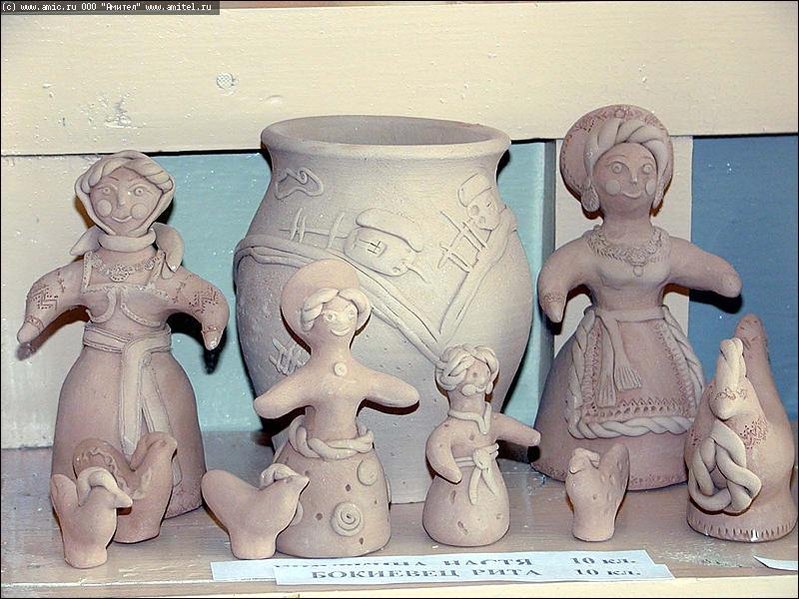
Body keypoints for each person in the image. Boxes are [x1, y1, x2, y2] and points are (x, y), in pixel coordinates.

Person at [534, 105, 741, 489]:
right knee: (581, 411)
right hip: (603, 343)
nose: (634, 180)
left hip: (657, 344)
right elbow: (559, 271)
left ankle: (668, 463)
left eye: (646, 171)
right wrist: (554, 292)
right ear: (592, 183)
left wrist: (721, 276)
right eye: (618, 169)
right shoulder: (591, 248)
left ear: (658, 184)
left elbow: (717, 276)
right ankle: (585, 464)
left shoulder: (664, 247)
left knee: (680, 406)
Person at [18, 150, 229, 517]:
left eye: (137, 193)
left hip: (154, 372)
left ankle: (172, 494)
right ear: (89, 201)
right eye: (107, 194)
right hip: (95, 374)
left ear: (159, 200)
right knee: (89, 431)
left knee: (167, 433)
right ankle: (86, 502)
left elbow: (203, 295)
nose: (121, 206)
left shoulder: (163, 271)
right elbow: (52, 287)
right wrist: (34, 320)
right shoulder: (88, 270)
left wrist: (212, 321)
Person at [254, 259, 419, 557]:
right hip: (310, 457)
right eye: (331, 315)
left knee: (360, 504)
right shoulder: (310, 378)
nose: (341, 321)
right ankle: (309, 537)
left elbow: (406, 395)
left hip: (353, 457)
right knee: (309, 505)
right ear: (309, 324)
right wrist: (278, 399)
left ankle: (364, 535)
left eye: (349, 314)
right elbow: (270, 406)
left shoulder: (360, 376)